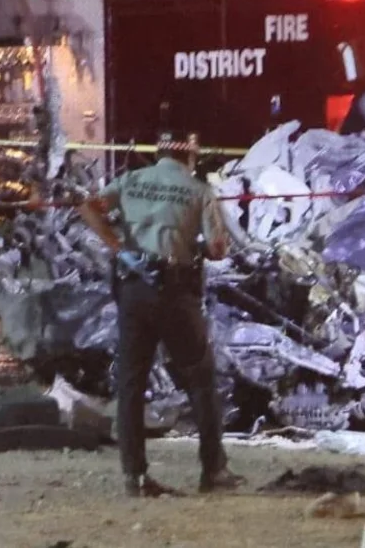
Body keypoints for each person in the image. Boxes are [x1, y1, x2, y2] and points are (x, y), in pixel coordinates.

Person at [77, 129, 245, 498]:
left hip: (133, 289)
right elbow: (217, 250)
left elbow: (88, 207)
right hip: (175, 290)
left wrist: (119, 247)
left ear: (159, 151)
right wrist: (214, 239)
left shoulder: (132, 180)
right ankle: (213, 470)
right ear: (191, 154)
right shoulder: (199, 190)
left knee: (131, 384)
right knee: (201, 378)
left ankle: (134, 476)